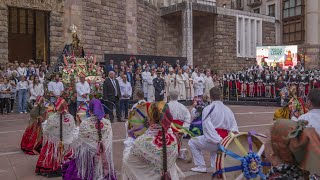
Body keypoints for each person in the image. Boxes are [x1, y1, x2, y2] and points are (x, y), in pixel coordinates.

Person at [122, 102, 184, 180]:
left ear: (150, 119)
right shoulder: (174, 139)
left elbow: (127, 160)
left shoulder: (141, 141)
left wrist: (130, 139)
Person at [62, 99, 117, 180]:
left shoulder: (84, 123)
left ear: (90, 110)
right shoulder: (107, 123)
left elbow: (78, 142)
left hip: (88, 158)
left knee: (76, 161)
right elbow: (108, 141)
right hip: (103, 156)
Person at [188, 87, 239, 173]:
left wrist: (218, 140)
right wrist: (227, 141)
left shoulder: (208, 109)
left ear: (210, 97)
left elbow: (207, 127)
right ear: (221, 96)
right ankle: (215, 165)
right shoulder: (228, 110)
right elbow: (234, 128)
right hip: (225, 141)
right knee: (213, 149)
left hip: (216, 140)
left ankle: (200, 165)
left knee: (192, 142)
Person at [35, 98, 77, 177]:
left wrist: (43, 123)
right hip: (68, 142)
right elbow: (73, 130)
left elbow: (46, 132)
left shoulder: (52, 118)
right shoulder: (71, 117)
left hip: (55, 144)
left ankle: (54, 163)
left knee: (49, 143)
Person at [167, 90, 191, 160]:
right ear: (177, 96)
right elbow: (188, 118)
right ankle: (179, 153)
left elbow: (163, 119)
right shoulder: (183, 106)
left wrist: (170, 129)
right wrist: (182, 130)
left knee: (170, 142)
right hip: (179, 128)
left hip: (169, 127)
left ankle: (174, 153)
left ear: (169, 96)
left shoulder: (166, 106)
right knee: (178, 142)